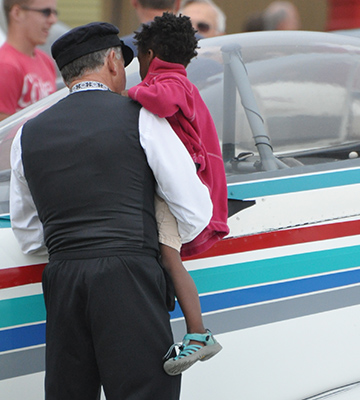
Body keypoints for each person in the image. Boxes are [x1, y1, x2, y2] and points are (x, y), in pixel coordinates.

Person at [10, 21, 213, 399]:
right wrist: (162, 242)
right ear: (111, 63)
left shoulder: (27, 134)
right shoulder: (141, 117)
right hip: (129, 276)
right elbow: (195, 210)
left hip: (64, 279)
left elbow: (29, 236)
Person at [126, 12, 228, 375]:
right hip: (186, 185)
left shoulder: (170, 82)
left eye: (138, 59)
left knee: (170, 258)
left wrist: (127, 95)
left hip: (180, 189)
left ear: (150, 55)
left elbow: (161, 102)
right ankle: (196, 332)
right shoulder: (183, 81)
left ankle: (199, 333)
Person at [0, 0, 58, 131]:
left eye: (55, 13)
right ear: (17, 13)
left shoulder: (46, 61)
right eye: (45, 12)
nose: (53, 20)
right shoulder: (3, 68)